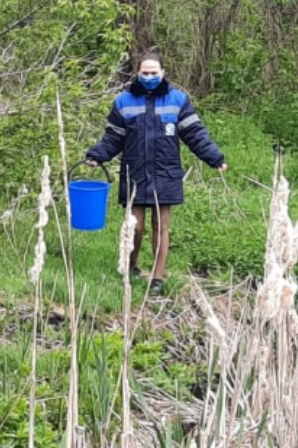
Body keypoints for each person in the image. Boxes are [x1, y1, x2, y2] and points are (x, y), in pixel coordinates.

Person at [83, 51, 228, 296]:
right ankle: (131, 266)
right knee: (135, 227)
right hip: (134, 172)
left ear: (162, 73)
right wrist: (97, 155)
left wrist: (215, 158)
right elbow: (113, 137)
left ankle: (158, 278)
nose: (149, 77)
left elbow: (195, 134)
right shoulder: (123, 102)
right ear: (137, 74)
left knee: (160, 226)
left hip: (166, 172)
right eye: (145, 73)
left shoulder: (178, 100)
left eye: (153, 73)